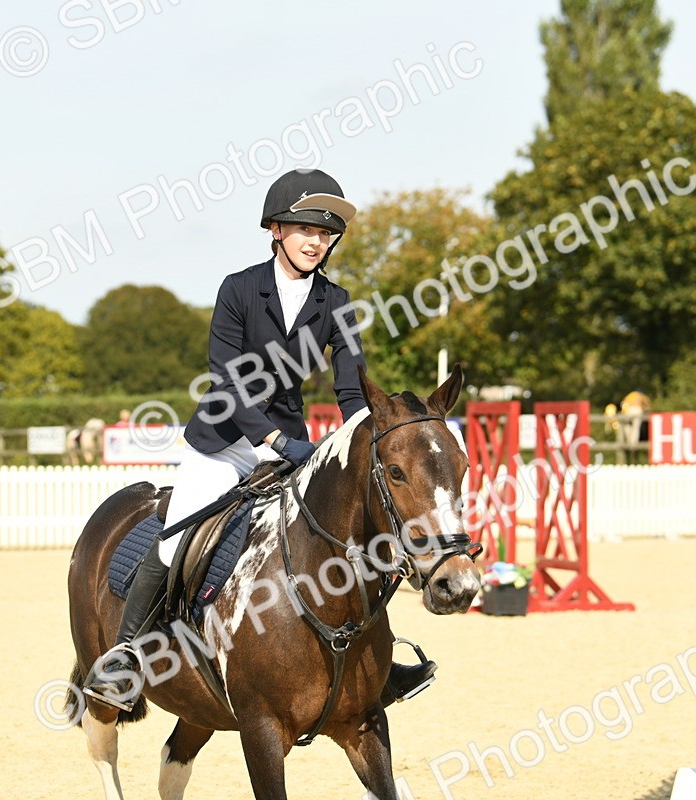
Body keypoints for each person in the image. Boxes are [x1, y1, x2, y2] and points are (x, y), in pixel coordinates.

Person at [84, 168, 437, 711]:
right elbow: (224, 378)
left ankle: (375, 665)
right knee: (177, 536)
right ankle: (127, 655)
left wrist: (359, 440)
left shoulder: (335, 302)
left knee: (351, 532)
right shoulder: (239, 289)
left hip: (295, 444)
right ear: (276, 229)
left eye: (324, 234)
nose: (316, 241)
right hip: (224, 442)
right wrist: (272, 438)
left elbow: (351, 388)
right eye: (304, 229)